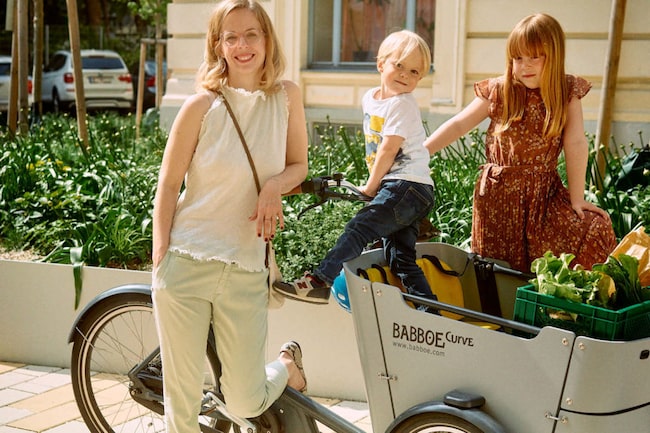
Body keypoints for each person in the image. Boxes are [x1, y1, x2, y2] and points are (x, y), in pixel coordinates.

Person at [150, 1, 308, 431]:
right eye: (231, 36)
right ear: (218, 45)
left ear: (267, 39)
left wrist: (274, 185)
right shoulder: (200, 106)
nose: (242, 45)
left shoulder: (287, 97)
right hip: (187, 260)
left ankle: (285, 366)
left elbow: (299, 165)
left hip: (245, 267)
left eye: (251, 34)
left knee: (243, 399)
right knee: (180, 399)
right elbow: (168, 183)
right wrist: (160, 255)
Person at [423, 13, 616, 272]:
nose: (525, 65)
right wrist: (421, 152)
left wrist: (577, 198)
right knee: (501, 268)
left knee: (595, 226)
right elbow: (459, 124)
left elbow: (576, 143)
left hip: (543, 198)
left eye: (534, 57)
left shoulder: (566, 90)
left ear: (555, 55)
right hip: (499, 196)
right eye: (518, 58)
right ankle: (499, 308)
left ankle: (562, 307)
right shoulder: (501, 90)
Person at [274, 30, 437, 310]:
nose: (405, 76)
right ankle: (429, 310)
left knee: (360, 228)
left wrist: (371, 186)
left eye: (414, 72)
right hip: (412, 190)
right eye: (399, 66)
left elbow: (387, 149)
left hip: (405, 186)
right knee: (401, 259)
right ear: (380, 64)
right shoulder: (371, 99)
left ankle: (319, 281)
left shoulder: (402, 104)